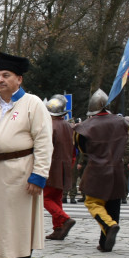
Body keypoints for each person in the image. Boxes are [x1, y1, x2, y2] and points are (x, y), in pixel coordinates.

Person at [0, 52, 53, 258]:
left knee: (20, 226)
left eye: (6, 75)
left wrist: (39, 175)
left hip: (21, 172)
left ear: (19, 79)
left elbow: (43, 141)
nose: (0, 80)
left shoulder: (33, 103)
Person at [75, 89, 127, 251]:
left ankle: (109, 226)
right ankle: (105, 244)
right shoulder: (123, 123)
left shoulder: (84, 127)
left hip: (97, 170)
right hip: (118, 169)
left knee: (93, 202)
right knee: (113, 204)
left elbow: (82, 149)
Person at [43, 94, 77, 240]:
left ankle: (63, 218)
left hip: (52, 167)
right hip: (65, 166)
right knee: (56, 198)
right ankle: (58, 228)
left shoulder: (49, 126)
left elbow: (45, 148)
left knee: (44, 198)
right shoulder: (68, 126)